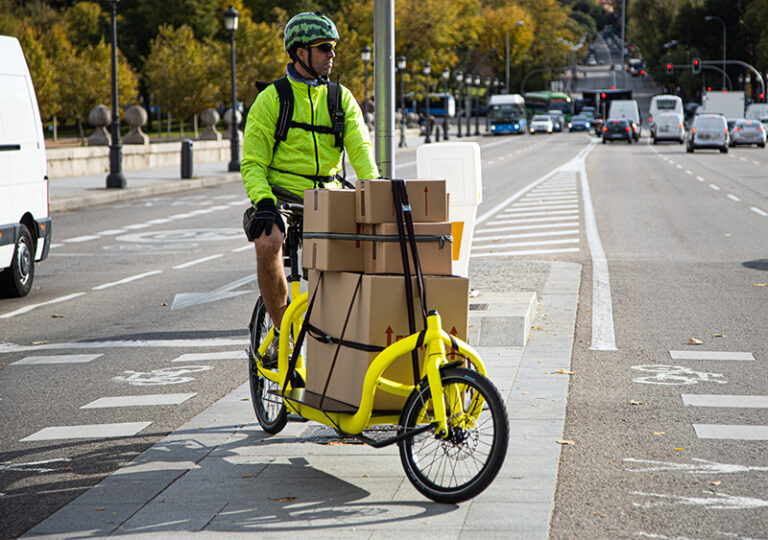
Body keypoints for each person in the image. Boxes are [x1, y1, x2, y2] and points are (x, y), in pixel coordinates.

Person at [241, 11, 379, 330]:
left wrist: (372, 185)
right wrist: (263, 202)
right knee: (267, 241)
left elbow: (360, 148)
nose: (332, 54)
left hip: (328, 196)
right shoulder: (272, 99)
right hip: (281, 197)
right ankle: (280, 331)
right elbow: (253, 161)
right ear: (301, 52)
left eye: (333, 47)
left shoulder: (339, 98)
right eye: (324, 47)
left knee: (370, 247)